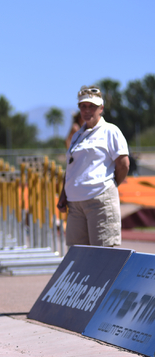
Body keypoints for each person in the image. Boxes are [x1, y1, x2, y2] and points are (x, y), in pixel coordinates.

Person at [57, 85, 129, 247]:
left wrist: (109, 184)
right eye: (83, 106)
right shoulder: (76, 136)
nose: (87, 110)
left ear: (101, 108)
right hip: (75, 204)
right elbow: (71, 168)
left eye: (92, 106)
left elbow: (123, 164)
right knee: (78, 258)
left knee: (104, 256)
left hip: (99, 200)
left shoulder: (110, 131)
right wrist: (64, 194)